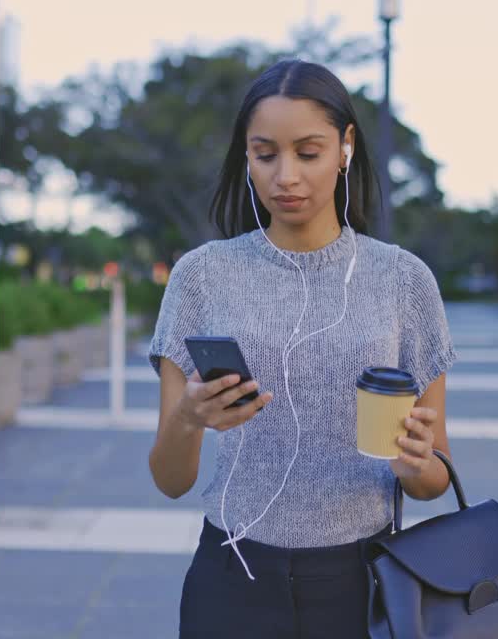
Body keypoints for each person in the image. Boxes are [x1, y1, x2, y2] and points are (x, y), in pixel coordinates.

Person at [147, 60, 456, 638]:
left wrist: (416, 465)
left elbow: (434, 477)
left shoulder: (403, 280)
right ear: (246, 156)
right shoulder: (201, 276)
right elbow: (169, 480)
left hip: (364, 584)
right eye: (265, 154)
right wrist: (189, 420)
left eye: (307, 153)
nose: (285, 175)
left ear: (345, 147)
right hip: (232, 578)